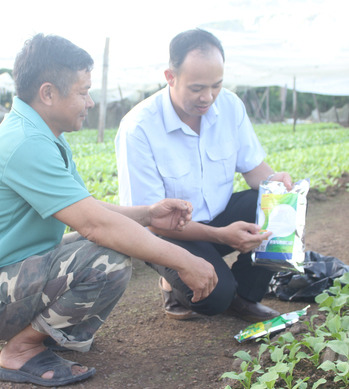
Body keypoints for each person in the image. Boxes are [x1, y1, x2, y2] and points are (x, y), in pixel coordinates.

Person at [0, 34, 218, 387]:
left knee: (105, 246)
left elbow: (85, 208)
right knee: (107, 261)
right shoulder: (25, 143)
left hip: (5, 276)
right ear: (48, 93)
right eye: (83, 91)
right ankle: (21, 351)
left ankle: (49, 333)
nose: (90, 101)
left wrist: (149, 214)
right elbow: (95, 224)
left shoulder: (42, 134)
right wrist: (184, 260)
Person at [115, 29, 293, 323]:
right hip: (167, 234)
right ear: (170, 76)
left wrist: (278, 184)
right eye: (197, 87)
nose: (207, 97)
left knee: (276, 204)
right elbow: (151, 222)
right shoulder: (139, 128)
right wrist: (221, 235)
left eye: (216, 86)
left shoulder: (230, 106)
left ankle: (244, 297)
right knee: (214, 298)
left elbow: (253, 169)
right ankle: (175, 284)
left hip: (219, 217)